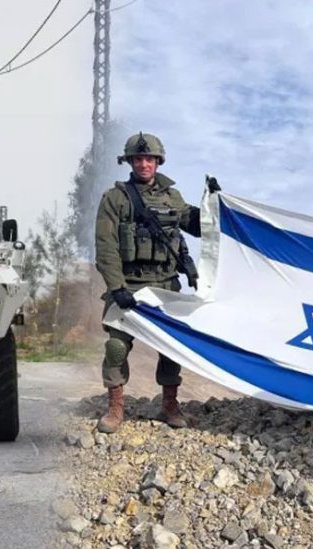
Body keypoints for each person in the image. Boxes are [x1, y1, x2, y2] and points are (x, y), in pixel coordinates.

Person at [93, 132, 220, 433]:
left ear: (158, 162)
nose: (144, 164)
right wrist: (116, 286)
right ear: (129, 162)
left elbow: (198, 226)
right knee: (116, 347)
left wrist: (215, 205)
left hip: (165, 284)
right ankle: (115, 408)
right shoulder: (115, 198)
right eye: (138, 159)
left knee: (171, 347)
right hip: (129, 284)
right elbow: (106, 246)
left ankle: (169, 406)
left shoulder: (171, 197)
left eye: (149, 159)